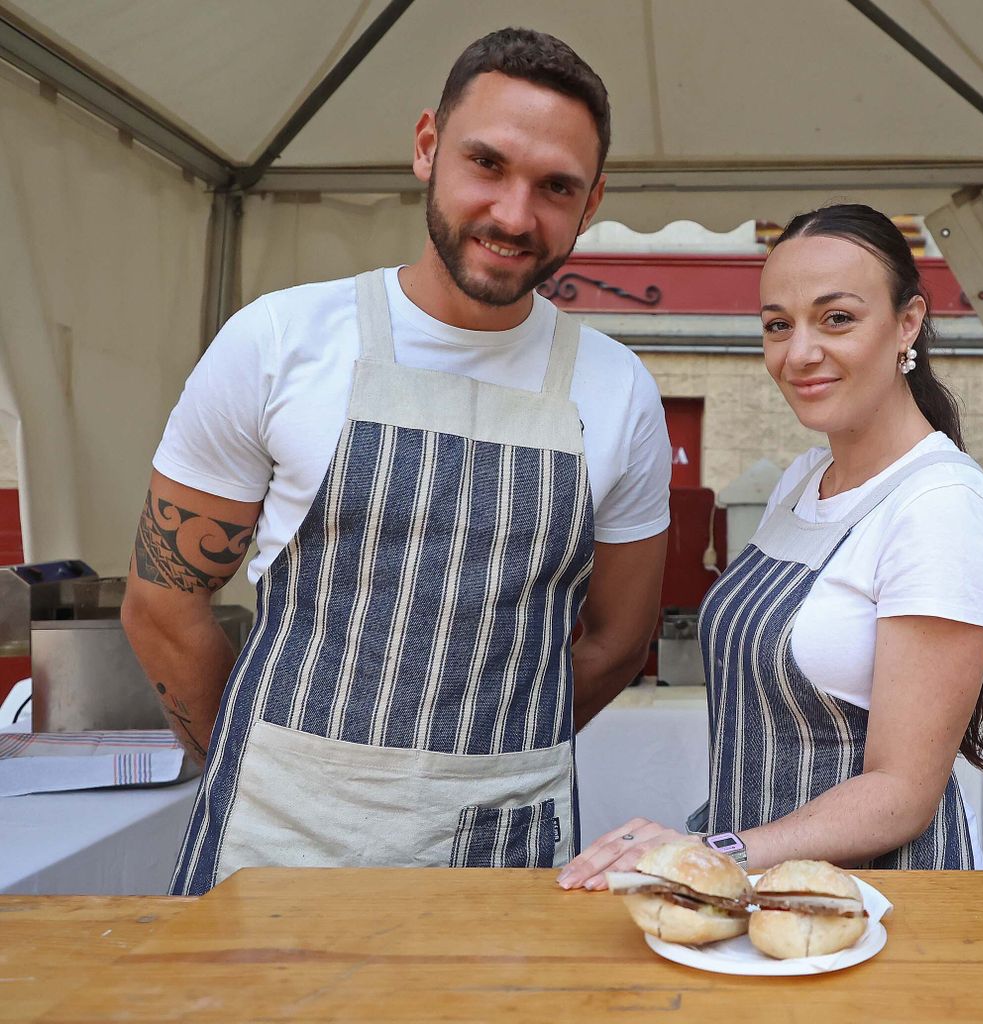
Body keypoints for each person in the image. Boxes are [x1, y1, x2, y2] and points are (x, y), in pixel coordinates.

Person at [122, 28, 671, 895]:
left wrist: (499, 753)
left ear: (592, 200)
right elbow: (162, 604)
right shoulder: (280, 340)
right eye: (486, 164)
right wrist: (258, 757)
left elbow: (616, 641)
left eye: (555, 186)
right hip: (274, 843)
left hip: (503, 849)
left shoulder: (619, 391)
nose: (515, 214)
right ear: (427, 147)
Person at [559, 203, 983, 886]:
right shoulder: (805, 478)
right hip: (762, 887)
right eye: (778, 325)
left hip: (878, 903)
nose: (798, 353)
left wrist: (716, 853)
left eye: (837, 319)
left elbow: (901, 795)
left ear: (908, 323)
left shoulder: (941, 508)